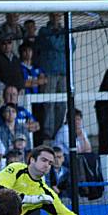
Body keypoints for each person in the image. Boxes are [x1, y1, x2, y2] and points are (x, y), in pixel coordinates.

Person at [37, 12, 74, 140]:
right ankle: (48, 133)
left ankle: (58, 132)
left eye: (58, 16)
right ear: (49, 16)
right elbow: (54, 44)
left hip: (63, 73)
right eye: (53, 16)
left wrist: (63, 38)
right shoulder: (44, 31)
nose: (56, 19)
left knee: (62, 104)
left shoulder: (65, 30)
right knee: (49, 104)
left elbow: (72, 46)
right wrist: (62, 39)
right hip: (49, 72)